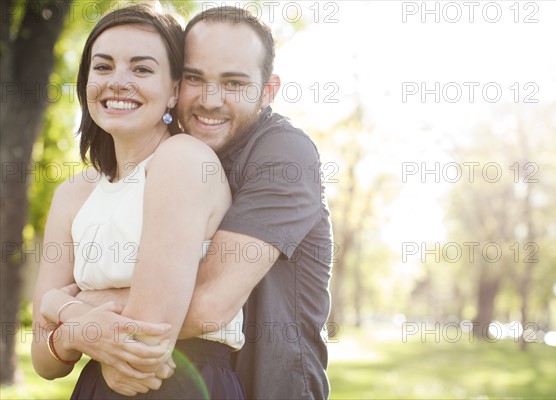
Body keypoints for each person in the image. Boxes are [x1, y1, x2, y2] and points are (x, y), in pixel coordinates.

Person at [56, 5, 333, 399]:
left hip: (273, 388)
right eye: (194, 78)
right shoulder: (178, 158)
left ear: (267, 91)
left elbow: (206, 304)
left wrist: (76, 309)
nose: (210, 100)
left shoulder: (284, 154)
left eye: (234, 83)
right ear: (175, 84)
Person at [30, 4, 244, 399]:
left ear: (175, 91)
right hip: (96, 386)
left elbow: (146, 336)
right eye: (103, 66)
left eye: (142, 69)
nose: (118, 82)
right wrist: (73, 329)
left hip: (181, 381)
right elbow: (43, 361)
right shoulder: (73, 194)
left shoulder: (183, 159)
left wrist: (65, 310)